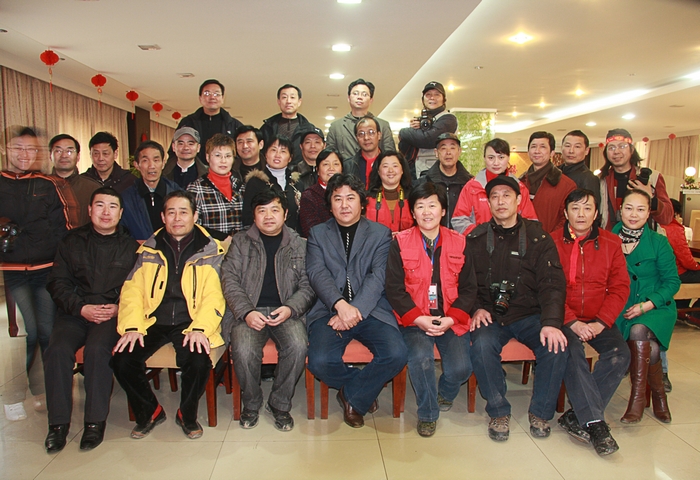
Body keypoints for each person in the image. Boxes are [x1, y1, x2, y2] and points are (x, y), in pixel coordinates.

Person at [110, 190, 226, 440]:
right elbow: (132, 291)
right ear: (162, 217)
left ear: (195, 216)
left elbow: (214, 296)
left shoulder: (211, 250)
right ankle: (149, 411)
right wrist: (132, 326)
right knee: (121, 359)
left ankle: (187, 414)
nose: (177, 218)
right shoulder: (148, 249)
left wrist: (201, 328)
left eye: (183, 212)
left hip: (191, 320)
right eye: (171, 212)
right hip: (152, 320)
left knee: (198, 362)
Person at [467, 175, 568, 442]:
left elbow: (553, 284)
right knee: (480, 345)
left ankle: (541, 412)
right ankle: (498, 411)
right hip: (490, 314)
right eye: (494, 197)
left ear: (519, 200)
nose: (500, 201)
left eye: (506, 196)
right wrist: (476, 308)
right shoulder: (476, 239)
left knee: (555, 345)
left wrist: (551, 322)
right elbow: (465, 283)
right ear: (488, 203)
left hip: (529, 314)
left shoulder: (539, 238)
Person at [306, 173, 408, 428]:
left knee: (396, 354)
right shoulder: (317, 234)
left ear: (362, 203)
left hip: (371, 309)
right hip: (329, 311)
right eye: (337, 198)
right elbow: (317, 273)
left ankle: (351, 396)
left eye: (350, 198)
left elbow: (379, 275)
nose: (344, 204)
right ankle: (361, 389)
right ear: (330, 205)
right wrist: (340, 306)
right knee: (319, 361)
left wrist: (356, 310)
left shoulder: (380, 233)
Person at [43, 187, 139, 452]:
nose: (106, 212)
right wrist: (81, 307)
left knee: (97, 350)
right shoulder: (71, 241)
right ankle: (57, 425)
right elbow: (57, 283)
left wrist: (119, 308)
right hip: (74, 312)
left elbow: (138, 288)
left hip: (110, 315)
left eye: (112, 207)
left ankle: (95, 423)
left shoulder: (131, 247)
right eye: (100, 205)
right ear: (89, 210)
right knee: (57, 351)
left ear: (120, 213)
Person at [385, 182, 476, 437]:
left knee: (461, 368)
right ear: (413, 213)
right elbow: (394, 289)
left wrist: (452, 319)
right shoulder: (400, 243)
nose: (427, 212)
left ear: (443, 210)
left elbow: (470, 288)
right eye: (420, 206)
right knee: (420, 360)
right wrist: (418, 318)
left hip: (450, 318)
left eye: (432, 205)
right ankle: (427, 413)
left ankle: (444, 393)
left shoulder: (460, 242)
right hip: (415, 320)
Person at [221, 188, 314, 431]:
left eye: (275, 210)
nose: (269, 216)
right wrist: (246, 312)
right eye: (262, 211)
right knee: (243, 349)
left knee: (297, 345)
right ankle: (252, 403)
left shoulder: (299, 244)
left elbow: (308, 285)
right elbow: (229, 280)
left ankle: (279, 403)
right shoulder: (240, 242)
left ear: (285, 214)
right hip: (249, 311)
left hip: (286, 311)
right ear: (254, 216)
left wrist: (290, 308)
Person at [551, 189, 630, 456]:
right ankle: (596, 424)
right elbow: (548, 289)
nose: (581, 214)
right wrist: (572, 322)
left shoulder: (611, 243)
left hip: (599, 318)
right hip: (564, 318)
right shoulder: (552, 242)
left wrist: (601, 322)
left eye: (587, 209)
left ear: (596, 214)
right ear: (566, 213)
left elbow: (620, 288)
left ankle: (577, 415)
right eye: (575, 208)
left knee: (620, 354)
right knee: (571, 351)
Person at [1, 126, 70, 422]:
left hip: (46, 270)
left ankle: (47, 389)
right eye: (18, 148)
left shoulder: (48, 184)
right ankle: (28, 391)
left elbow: (63, 227)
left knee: (46, 329)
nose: (24, 154)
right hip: (13, 270)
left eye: (30, 149)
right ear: (5, 150)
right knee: (29, 329)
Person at [613, 189, 680, 424]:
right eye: (629, 208)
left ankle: (637, 399)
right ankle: (659, 397)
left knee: (638, 330)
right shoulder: (608, 238)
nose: (634, 214)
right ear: (620, 210)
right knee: (649, 346)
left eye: (640, 209)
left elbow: (673, 282)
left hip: (656, 306)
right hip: (622, 307)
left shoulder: (659, 242)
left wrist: (648, 305)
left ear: (649, 213)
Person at [452, 138, 537, 235]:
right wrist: (481, 236)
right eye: (491, 158)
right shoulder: (472, 187)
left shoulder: (520, 188)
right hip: (480, 241)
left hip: (512, 242)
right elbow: (458, 220)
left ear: (508, 158)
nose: (496, 163)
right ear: (484, 158)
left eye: (501, 157)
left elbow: (531, 222)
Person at [599, 128, 673, 230]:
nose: (616, 151)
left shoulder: (653, 177)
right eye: (611, 148)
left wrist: (650, 198)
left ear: (632, 150)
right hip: (610, 237)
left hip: (644, 238)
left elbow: (667, 218)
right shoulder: (601, 180)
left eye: (622, 146)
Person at [169, 79, 243, 165]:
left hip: (224, 170)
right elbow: (174, 151)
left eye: (216, 94)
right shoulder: (188, 123)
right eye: (207, 93)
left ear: (223, 98)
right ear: (200, 98)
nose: (212, 97)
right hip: (194, 171)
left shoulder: (234, 125)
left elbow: (241, 154)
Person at [187, 134, 244, 241]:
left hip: (241, 248)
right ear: (208, 157)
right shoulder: (196, 188)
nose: (223, 160)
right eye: (218, 155)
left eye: (228, 156)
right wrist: (222, 238)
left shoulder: (241, 187)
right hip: (211, 247)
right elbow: (192, 226)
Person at [121, 141, 182, 241]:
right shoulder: (127, 198)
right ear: (137, 165)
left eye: (156, 160)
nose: (151, 166)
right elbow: (122, 233)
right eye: (145, 161)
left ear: (163, 163)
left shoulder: (177, 194)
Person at [398, 81, 458, 179]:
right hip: (414, 171)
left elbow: (428, 139)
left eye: (437, 95)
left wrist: (403, 132)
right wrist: (414, 130)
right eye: (428, 95)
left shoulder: (448, 119)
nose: (432, 98)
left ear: (444, 99)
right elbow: (403, 147)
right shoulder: (421, 120)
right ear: (423, 99)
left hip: (436, 173)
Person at [242, 135, 302, 233]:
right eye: (273, 150)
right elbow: (248, 217)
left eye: (283, 151)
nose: (277, 155)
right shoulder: (255, 182)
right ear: (266, 154)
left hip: (293, 238)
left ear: (290, 158)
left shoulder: (297, 183)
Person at [326, 78, 396, 161]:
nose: (359, 97)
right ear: (348, 98)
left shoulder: (383, 125)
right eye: (355, 94)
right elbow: (329, 156)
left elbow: (390, 155)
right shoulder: (336, 127)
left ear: (371, 100)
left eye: (364, 94)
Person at [520, 131, 576, 233]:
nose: (537, 151)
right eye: (533, 146)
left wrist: (549, 239)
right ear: (528, 151)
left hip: (550, 240)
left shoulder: (566, 185)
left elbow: (567, 219)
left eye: (543, 147)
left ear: (552, 153)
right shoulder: (520, 182)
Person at [414, 132, 472, 230]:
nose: (448, 152)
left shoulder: (470, 184)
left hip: (462, 237)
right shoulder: (423, 183)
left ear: (459, 151)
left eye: (452, 148)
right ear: (436, 152)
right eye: (443, 148)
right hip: (432, 237)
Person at [49, 134, 100, 227]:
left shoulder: (93, 188)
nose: (64, 155)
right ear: (50, 155)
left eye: (69, 151)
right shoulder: (40, 187)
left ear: (78, 156)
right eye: (58, 151)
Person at [260, 84, 313, 166]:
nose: (288, 101)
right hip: (273, 171)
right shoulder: (267, 128)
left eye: (292, 97)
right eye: (284, 97)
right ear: (279, 102)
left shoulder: (309, 129)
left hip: (301, 172)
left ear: (299, 102)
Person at [365, 151, 413, 234]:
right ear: (378, 171)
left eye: (395, 166)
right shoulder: (367, 199)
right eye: (385, 166)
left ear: (402, 170)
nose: (390, 170)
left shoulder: (413, 198)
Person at [299, 148, 343, 238]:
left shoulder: (350, 192)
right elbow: (310, 231)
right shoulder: (309, 196)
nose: (331, 168)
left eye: (336, 164)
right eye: (326, 164)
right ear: (318, 170)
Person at [559, 130, 600, 208]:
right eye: (567, 146)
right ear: (561, 148)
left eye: (577, 147)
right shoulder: (555, 172)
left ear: (586, 150)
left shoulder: (589, 178)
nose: (571, 151)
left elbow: (591, 208)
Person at [343, 116, 383, 188]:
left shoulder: (390, 163)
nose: (366, 138)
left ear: (379, 135)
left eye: (371, 132)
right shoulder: (347, 166)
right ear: (356, 138)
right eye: (361, 134)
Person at [293, 127, 326, 192]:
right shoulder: (292, 172)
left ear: (324, 145)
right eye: (308, 142)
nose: (312, 146)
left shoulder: (330, 172)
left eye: (317, 142)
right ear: (301, 146)